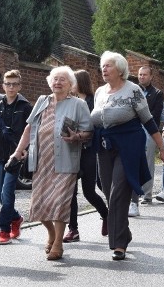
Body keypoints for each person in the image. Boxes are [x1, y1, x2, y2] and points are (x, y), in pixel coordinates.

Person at [90, 51, 164, 261]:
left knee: (118, 192)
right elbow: (94, 121)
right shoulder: (99, 92)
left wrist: (162, 148)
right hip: (104, 147)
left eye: (108, 65)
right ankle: (124, 233)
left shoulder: (133, 90)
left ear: (120, 69)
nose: (104, 69)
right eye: (102, 66)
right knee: (108, 191)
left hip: (129, 146)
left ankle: (119, 244)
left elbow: (148, 120)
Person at [8, 66, 91, 261]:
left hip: (65, 161)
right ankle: (52, 234)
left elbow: (89, 132)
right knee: (39, 204)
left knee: (59, 204)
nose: (58, 82)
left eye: (62, 79)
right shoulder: (41, 101)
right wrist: (18, 152)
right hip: (41, 161)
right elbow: (29, 128)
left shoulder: (78, 104)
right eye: (55, 79)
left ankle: (58, 244)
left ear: (70, 84)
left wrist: (77, 136)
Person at [0, 69, 33, 246]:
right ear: (3, 85)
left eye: (14, 84)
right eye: (8, 84)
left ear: (19, 86)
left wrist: (25, 149)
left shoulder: (26, 107)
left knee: (7, 193)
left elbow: (32, 131)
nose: (11, 87)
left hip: (15, 157)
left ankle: (4, 230)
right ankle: (16, 218)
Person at [65, 69, 109, 243]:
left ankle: (106, 215)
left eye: (72, 81)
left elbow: (95, 126)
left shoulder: (92, 102)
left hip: (88, 151)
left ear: (79, 82)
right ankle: (73, 229)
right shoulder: (69, 102)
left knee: (89, 191)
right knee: (71, 192)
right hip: (71, 151)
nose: (70, 84)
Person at [130, 65, 164, 215]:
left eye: (145, 75)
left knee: (148, 161)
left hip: (149, 131)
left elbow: (155, 115)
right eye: (140, 74)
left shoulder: (157, 93)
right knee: (133, 162)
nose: (142, 77)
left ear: (151, 77)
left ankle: (147, 194)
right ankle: (134, 193)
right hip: (134, 130)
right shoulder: (132, 91)